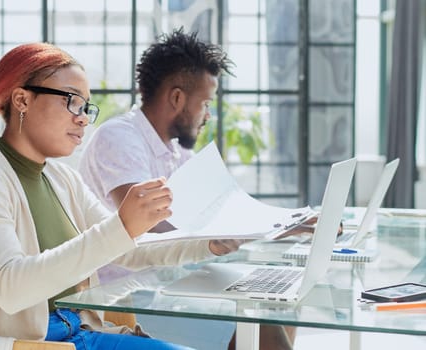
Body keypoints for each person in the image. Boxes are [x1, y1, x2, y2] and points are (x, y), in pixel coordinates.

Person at [0, 42, 245, 350]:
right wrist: (121, 227)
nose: (84, 118)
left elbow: (129, 250)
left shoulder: (62, 179)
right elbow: (11, 288)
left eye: (86, 106)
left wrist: (206, 244)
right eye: (72, 101)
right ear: (22, 99)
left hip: (80, 333)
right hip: (39, 344)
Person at [78, 29, 296, 350]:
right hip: (124, 294)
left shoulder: (178, 151)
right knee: (260, 327)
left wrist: (290, 222)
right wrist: (238, 229)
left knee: (274, 305)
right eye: (205, 103)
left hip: (166, 280)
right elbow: (150, 223)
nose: (208, 115)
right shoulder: (119, 138)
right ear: (177, 98)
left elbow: (222, 209)